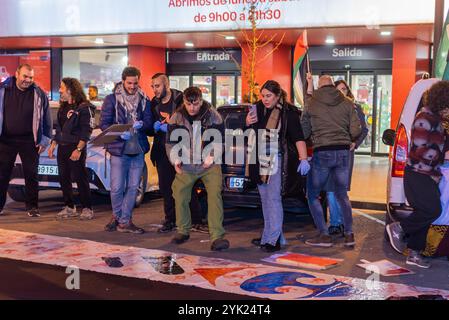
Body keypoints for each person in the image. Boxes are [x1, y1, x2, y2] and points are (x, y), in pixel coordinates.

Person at [386, 82, 449, 269]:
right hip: (418, 173)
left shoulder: (435, 120)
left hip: (428, 174)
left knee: (425, 211)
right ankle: (399, 228)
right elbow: (420, 150)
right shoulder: (425, 118)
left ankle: (414, 253)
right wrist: (442, 156)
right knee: (432, 210)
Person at [246, 80, 309, 252]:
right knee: (265, 200)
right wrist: (247, 122)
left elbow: (298, 137)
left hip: (276, 159)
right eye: (263, 96)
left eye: (269, 96)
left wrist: (304, 159)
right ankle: (270, 236)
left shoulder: (288, 113)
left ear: (278, 95)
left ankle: (273, 240)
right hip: (259, 159)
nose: (265, 99)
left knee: (273, 200)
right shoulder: (257, 109)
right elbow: (250, 134)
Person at [301, 74, 361, 248]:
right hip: (342, 152)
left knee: (312, 194)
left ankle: (324, 235)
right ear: (333, 85)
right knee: (342, 194)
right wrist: (346, 136)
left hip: (322, 152)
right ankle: (349, 234)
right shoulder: (347, 102)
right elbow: (356, 130)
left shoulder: (311, 103)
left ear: (320, 86)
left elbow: (304, 131)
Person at [166, 87, 229, 251]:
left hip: (209, 164)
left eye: (196, 104)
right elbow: (170, 143)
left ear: (201, 101)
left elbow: (221, 141)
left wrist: (212, 156)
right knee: (179, 193)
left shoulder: (213, 115)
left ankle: (217, 236)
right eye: (188, 104)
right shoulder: (176, 117)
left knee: (215, 195)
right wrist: (175, 159)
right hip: (186, 164)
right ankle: (183, 231)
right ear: (185, 102)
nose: (192, 108)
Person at [150, 73, 207, 234]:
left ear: (166, 85)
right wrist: (152, 128)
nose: (155, 90)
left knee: (188, 186)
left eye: (157, 86)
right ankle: (170, 220)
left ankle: (196, 220)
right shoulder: (154, 103)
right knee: (166, 188)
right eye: (152, 86)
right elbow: (149, 126)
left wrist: (170, 127)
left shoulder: (181, 99)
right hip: (162, 150)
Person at [100, 66, 153, 234]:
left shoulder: (144, 100)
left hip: (137, 149)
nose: (132, 86)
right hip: (119, 149)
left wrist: (142, 125)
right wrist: (120, 133)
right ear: (123, 81)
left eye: (135, 83)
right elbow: (104, 124)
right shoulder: (111, 100)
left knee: (133, 187)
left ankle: (125, 221)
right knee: (116, 188)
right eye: (129, 83)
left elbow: (149, 122)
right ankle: (117, 217)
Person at [0, 64, 52, 218]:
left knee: (31, 174)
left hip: (30, 140)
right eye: (25, 76)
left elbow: (47, 119)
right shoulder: (3, 90)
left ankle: (32, 207)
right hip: (5, 140)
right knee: (2, 175)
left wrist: (44, 140)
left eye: (31, 77)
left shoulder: (38, 93)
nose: (28, 80)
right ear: (17, 74)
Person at [48, 78, 96, 220]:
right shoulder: (63, 107)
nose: (59, 90)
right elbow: (59, 128)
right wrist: (53, 144)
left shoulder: (83, 107)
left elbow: (86, 131)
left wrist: (79, 149)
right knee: (64, 178)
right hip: (62, 147)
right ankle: (69, 207)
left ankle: (87, 208)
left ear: (70, 89)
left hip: (76, 148)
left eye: (61, 87)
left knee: (80, 178)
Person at [326, 79, 369, 237]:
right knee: (330, 189)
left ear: (347, 91)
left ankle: (344, 222)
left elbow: (364, 130)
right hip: (329, 152)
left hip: (345, 153)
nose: (341, 92)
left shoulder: (354, 108)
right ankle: (335, 224)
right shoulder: (327, 109)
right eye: (338, 90)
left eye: (343, 89)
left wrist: (355, 143)